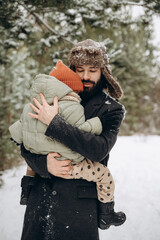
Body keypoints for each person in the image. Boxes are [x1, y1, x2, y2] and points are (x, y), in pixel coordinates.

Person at [19, 39, 126, 240]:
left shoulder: (111, 109)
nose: (86, 76)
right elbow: (27, 143)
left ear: (103, 71)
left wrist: (54, 124)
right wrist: (44, 164)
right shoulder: (50, 97)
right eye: (80, 69)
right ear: (72, 69)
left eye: (93, 70)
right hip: (40, 201)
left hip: (78, 209)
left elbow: (98, 150)